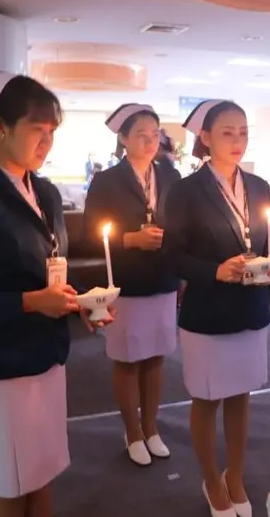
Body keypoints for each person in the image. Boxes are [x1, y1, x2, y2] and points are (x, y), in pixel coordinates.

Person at [0, 72, 115, 517]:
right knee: (9, 488)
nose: (47, 141)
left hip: (45, 358)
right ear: (0, 127)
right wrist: (29, 302)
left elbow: (49, 271)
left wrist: (78, 304)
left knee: (41, 477)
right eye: (38, 129)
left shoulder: (46, 193)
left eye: (52, 132)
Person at [163, 99, 270, 517]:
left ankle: (236, 473)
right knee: (207, 397)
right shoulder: (186, 190)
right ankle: (211, 477)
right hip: (208, 311)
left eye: (243, 132)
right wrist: (216, 270)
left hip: (250, 308)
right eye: (228, 132)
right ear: (206, 137)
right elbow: (171, 257)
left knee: (241, 395)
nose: (237, 141)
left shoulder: (259, 186)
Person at [83, 104, 181, 466]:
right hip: (126, 282)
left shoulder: (170, 176)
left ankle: (151, 426)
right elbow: (89, 237)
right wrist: (129, 240)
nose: (149, 141)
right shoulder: (107, 181)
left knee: (156, 356)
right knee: (127, 359)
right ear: (123, 139)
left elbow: (182, 223)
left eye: (154, 134)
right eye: (140, 134)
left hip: (163, 278)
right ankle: (132, 429)